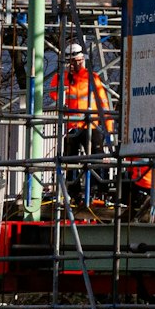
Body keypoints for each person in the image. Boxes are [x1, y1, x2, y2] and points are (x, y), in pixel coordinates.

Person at [48, 43, 113, 203]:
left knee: (97, 158)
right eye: (71, 62)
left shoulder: (92, 78)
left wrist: (108, 130)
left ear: (82, 60)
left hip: (92, 125)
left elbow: (103, 104)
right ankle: (73, 192)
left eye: (77, 61)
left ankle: (100, 192)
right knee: (71, 160)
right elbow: (53, 94)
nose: (74, 65)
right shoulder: (61, 78)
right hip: (73, 126)